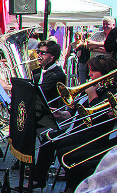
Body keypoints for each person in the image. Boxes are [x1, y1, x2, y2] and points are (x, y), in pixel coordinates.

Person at [29, 57, 117, 190]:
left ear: (104, 72)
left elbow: (98, 118)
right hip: (81, 127)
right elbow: (75, 111)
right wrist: (61, 114)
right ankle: (40, 178)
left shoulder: (111, 91)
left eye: (92, 71)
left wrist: (92, 95)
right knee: (50, 138)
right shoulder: (96, 86)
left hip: (96, 132)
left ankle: (72, 187)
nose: (89, 74)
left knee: (66, 151)